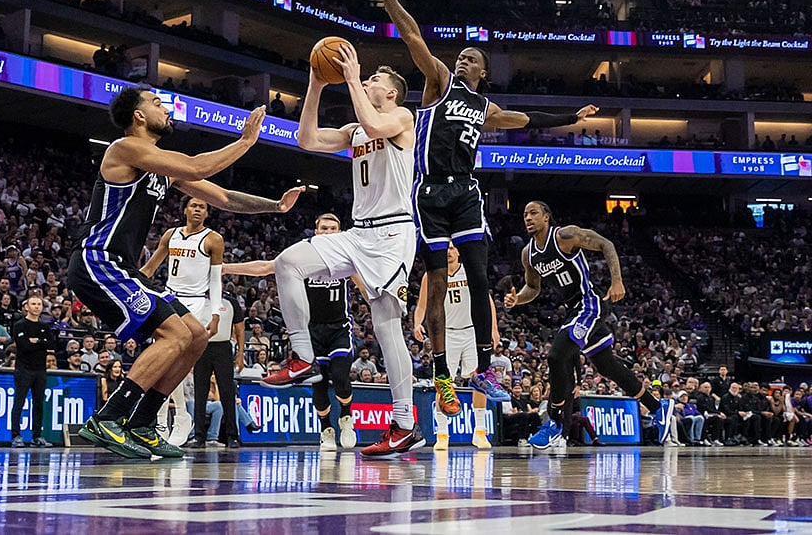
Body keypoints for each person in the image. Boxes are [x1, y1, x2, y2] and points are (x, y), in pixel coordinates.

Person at [352, 0, 597, 417]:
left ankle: (484, 366)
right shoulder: (439, 82)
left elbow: (528, 120)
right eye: (460, 56)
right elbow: (412, 39)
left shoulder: (486, 108)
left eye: (470, 59)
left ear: (484, 72)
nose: (462, 61)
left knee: (481, 280)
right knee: (440, 282)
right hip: (428, 194)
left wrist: (569, 119)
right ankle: (442, 374)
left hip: (466, 193)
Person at [73, 85, 303, 459]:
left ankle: (144, 423)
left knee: (196, 336)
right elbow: (197, 165)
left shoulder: (162, 169)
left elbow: (225, 198)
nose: (166, 109)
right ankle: (109, 417)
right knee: (175, 334)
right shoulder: (124, 148)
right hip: (97, 258)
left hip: (123, 266)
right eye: (158, 104)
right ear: (139, 116)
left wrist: (275, 206)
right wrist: (245, 141)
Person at [262, 46, 424, 457]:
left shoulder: (402, 118)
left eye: (375, 81)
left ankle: (404, 422)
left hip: (392, 235)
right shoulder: (356, 130)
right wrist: (316, 84)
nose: (367, 81)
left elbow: (372, 122)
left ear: (391, 94)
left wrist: (352, 78)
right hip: (357, 232)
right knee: (288, 263)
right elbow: (307, 139)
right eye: (365, 79)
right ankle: (301, 355)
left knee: (388, 330)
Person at [504, 201, 673, 450]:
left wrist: (616, 281)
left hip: (589, 305)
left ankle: (554, 422)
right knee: (608, 368)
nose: (527, 218)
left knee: (556, 355)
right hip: (574, 311)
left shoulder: (565, 235)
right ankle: (659, 408)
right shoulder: (528, 254)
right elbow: (533, 287)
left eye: (533, 213)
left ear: (547, 217)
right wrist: (518, 298)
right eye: (524, 214)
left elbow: (607, 244)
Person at [225, 213, 360, 451]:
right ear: (316, 232)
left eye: (333, 228)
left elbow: (367, 287)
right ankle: (326, 429)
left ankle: (346, 418)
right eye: (324, 228)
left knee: (340, 376)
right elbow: (267, 267)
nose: (328, 232)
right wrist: (225, 267)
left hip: (338, 327)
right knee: (318, 383)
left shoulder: (346, 259)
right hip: (311, 330)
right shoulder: (302, 256)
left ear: (340, 233)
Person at [140, 195, 226, 448]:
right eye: (194, 205)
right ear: (186, 209)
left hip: (197, 302)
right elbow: (152, 266)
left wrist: (216, 312)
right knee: (162, 360)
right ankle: (165, 419)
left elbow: (216, 279)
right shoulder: (171, 235)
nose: (198, 209)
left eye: (203, 207)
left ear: (207, 213)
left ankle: (177, 417)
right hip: (169, 297)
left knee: (175, 359)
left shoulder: (213, 239)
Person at [413, 244, 499, 450]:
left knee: (479, 380)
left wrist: (493, 329)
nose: (449, 251)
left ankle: (480, 432)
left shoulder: (470, 270)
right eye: (446, 248)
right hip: (446, 333)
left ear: (459, 251)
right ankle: (442, 434)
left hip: (472, 331)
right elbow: (422, 305)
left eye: (452, 248)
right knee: (443, 383)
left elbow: (487, 303)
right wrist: (417, 323)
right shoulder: (431, 275)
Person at [10, 295, 55, 448]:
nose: (36, 306)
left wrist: (38, 341)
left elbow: (51, 344)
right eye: (33, 304)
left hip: (40, 369)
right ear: (26, 307)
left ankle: (37, 435)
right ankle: (16, 435)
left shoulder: (45, 326)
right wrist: (41, 344)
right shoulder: (19, 325)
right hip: (24, 368)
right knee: (19, 402)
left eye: (39, 304)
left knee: (38, 403)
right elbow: (24, 346)